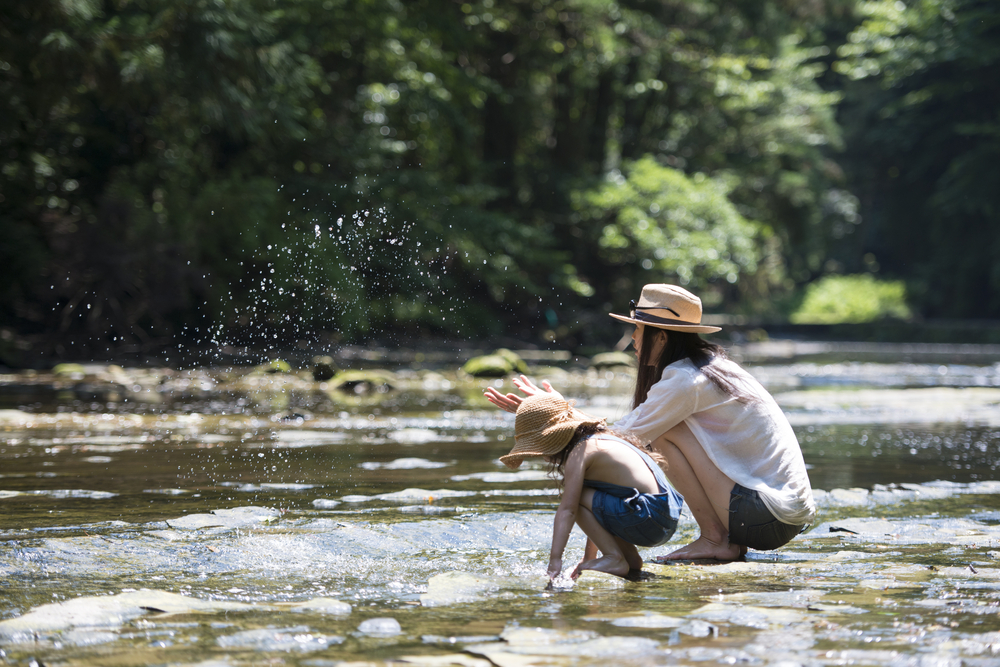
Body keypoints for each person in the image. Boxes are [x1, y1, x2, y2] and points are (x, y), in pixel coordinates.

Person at [486, 283, 815, 562]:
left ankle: (716, 539)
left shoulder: (686, 380)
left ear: (661, 337)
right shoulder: (710, 367)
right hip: (780, 513)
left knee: (664, 432)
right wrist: (556, 413)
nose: (632, 341)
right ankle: (718, 537)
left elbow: (618, 438)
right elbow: (619, 433)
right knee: (657, 431)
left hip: (767, 515)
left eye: (638, 330)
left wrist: (555, 415)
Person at [501, 392, 683, 580]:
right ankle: (628, 558)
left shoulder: (581, 452)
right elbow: (599, 509)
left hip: (647, 517)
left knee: (577, 497)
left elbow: (568, 511)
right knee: (597, 497)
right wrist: (589, 558)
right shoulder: (602, 438)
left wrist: (555, 561)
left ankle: (614, 557)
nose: (541, 456)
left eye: (538, 448)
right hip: (664, 516)